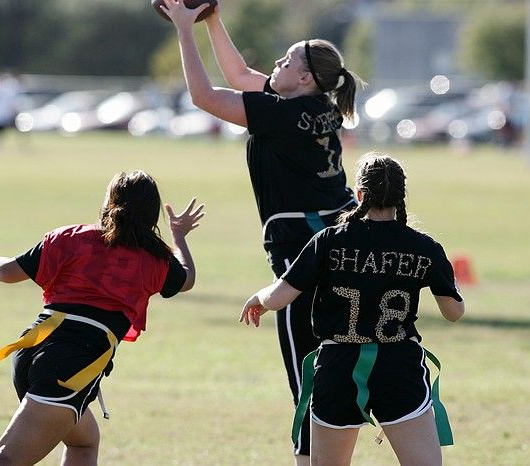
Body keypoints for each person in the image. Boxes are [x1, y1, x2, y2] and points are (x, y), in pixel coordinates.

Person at [160, 1, 364, 462]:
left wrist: (185, 29)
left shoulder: (284, 116)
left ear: (306, 78)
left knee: (309, 386)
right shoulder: (315, 105)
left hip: (304, 262)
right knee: (331, 380)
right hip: (336, 249)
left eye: (286, 61)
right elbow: (241, 76)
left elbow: (206, 97)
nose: (276, 65)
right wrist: (211, 17)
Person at [0, 170, 204, 466]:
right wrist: (179, 237)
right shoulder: (154, 258)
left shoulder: (70, 237)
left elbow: (6, 271)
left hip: (33, 347)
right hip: (71, 364)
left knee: (84, 441)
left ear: (109, 203)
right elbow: (187, 279)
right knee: (8, 459)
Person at [240, 153, 465, 466]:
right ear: (401, 198)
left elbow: (278, 298)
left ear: (359, 196)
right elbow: (453, 312)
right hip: (399, 366)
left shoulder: (329, 240)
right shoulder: (425, 247)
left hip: (339, 366)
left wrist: (258, 298)